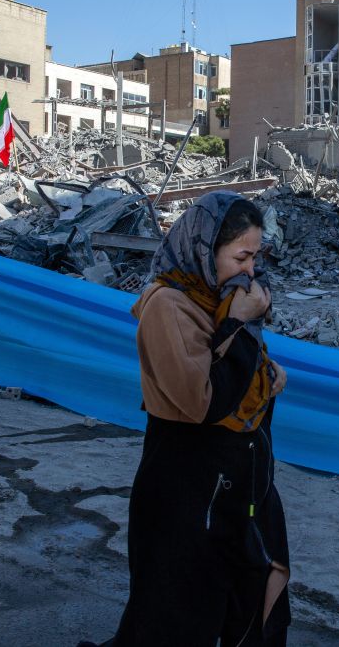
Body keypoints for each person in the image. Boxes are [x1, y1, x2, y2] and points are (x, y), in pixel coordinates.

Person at [88, 191, 290, 647]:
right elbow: (203, 403)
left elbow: (234, 370)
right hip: (187, 492)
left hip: (240, 486)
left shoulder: (212, 298)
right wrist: (239, 326)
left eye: (255, 258)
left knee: (250, 601)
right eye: (241, 256)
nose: (250, 271)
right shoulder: (168, 306)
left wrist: (265, 370)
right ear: (205, 249)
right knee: (178, 617)